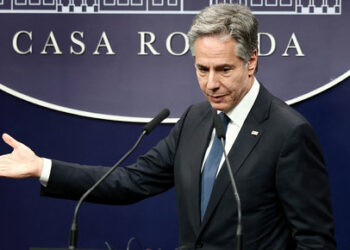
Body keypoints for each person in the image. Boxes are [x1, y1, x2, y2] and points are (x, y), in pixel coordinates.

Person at [0, 4, 335, 250]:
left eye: (223, 69)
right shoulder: (195, 119)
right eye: (202, 69)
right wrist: (41, 168)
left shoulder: (287, 132)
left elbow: (314, 239)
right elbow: (131, 181)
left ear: (251, 63)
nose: (211, 83)